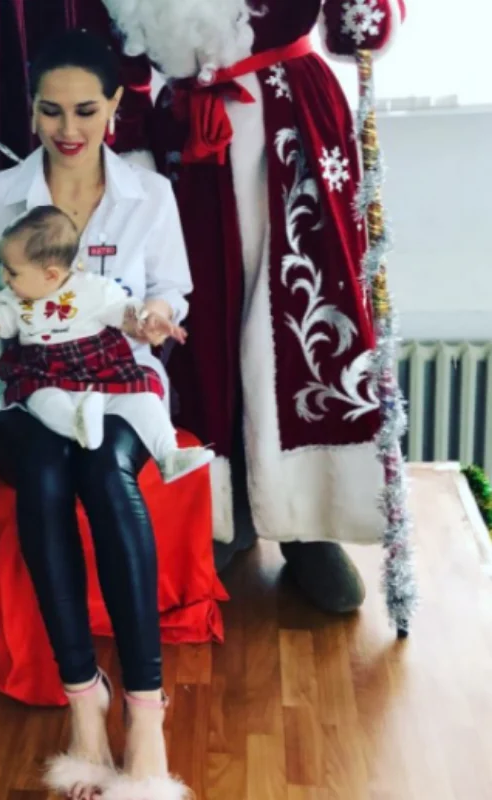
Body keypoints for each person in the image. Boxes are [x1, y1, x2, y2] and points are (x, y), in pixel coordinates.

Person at [0, 29, 196, 800]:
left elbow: (171, 288)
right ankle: (85, 702)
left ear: (116, 104)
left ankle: (145, 712)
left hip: (119, 382)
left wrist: (158, 313)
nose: (68, 128)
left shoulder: (149, 195)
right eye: (51, 110)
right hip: (23, 386)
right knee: (47, 472)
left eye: (86, 109)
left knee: (105, 468)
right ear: (32, 108)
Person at [96, 0, 408, 612]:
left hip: (297, 125)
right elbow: (119, 38)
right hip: (187, 140)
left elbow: (358, 30)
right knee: (199, 329)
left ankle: (309, 521)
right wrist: (129, 134)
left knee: (306, 324)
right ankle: (221, 510)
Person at [0, 204, 214, 483]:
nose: (5, 278)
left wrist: (146, 319)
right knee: (43, 400)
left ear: (51, 275)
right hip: (45, 374)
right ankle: (77, 425)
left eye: (13, 272)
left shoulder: (95, 289)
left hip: (100, 370)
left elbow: (124, 310)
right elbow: (1, 320)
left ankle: (168, 453)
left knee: (143, 396)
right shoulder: (14, 300)